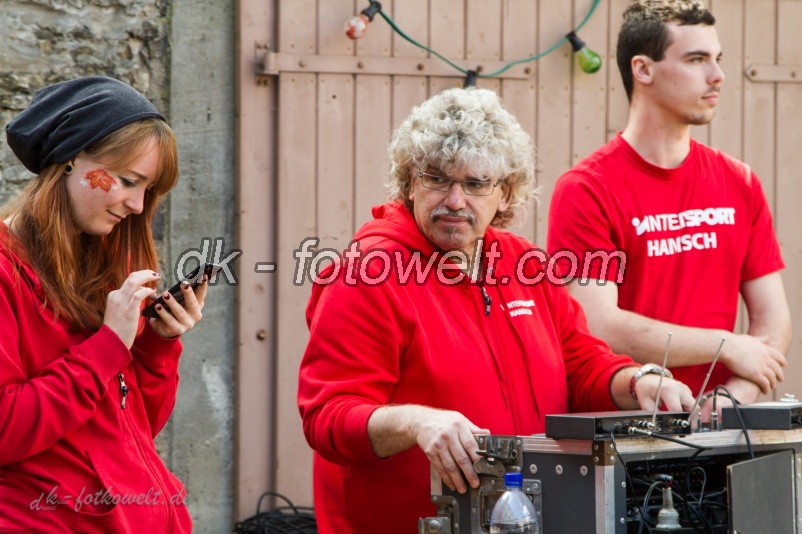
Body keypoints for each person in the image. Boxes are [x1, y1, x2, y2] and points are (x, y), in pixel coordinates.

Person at [297, 86, 695, 534]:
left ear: (505, 194)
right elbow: (327, 416)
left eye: (475, 184)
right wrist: (415, 421)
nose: (454, 200)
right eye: (436, 178)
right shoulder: (366, 275)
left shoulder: (525, 263)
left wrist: (636, 381)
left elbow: (579, 366)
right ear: (409, 183)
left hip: (523, 520)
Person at [547, 0, 791, 415]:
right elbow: (599, 325)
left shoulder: (739, 181)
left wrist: (732, 397)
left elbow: (773, 323)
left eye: (717, 59)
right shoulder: (587, 188)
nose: (717, 76)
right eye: (696, 59)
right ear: (643, 69)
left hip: (723, 428)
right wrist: (727, 345)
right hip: (625, 430)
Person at [0, 77, 204, 532]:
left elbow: (134, 432)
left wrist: (156, 344)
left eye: (148, 191)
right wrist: (108, 344)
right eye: (129, 181)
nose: (136, 205)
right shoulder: (4, 272)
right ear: (71, 157)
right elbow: (6, 429)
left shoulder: (100, 264)